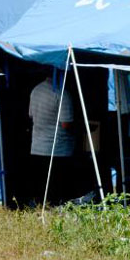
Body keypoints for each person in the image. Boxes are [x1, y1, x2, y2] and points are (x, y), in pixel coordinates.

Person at [29, 74, 75, 204]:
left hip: (38, 146)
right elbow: (66, 124)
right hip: (58, 149)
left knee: (42, 188)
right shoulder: (62, 94)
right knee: (57, 188)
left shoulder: (35, 90)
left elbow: (31, 115)